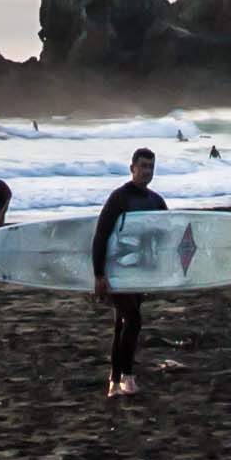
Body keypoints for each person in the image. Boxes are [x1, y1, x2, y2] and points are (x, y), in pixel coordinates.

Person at [93, 146, 166, 401]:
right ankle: (127, 376)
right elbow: (101, 235)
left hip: (140, 273)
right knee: (133, 321)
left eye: (151, 167)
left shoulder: (156, 201)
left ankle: (113, 382)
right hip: (117, 271)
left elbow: (166, 236)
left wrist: (162, 273)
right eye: (143, 166)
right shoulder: (119, 198)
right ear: (132, 168)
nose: (147, 171)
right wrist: (99, 275)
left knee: (121, 325)